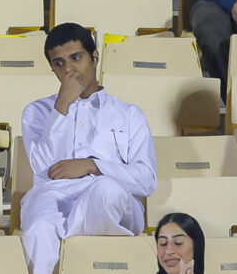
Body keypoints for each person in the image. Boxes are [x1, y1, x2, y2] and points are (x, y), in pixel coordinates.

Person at [17, 23, 158, 274]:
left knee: (106, 192)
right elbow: (43, 168)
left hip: (112, 198)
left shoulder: (128, 114)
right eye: (59, 63)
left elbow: (146, 180)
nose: (68, 69)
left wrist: (92, 165)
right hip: (53, 195)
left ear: (95, 57)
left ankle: (72, 251)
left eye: (76, 58)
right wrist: (62, 105)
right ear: (52, 69)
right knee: (39, 226)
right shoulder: (36, 112)